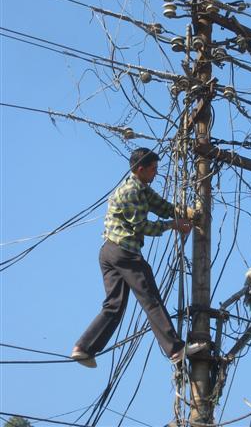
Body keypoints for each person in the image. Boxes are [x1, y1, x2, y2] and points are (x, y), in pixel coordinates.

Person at [71, 147, 206, 367]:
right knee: (150, 298)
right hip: (123, 251)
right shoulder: (130, 192)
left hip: (109, 252)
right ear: (140, 169)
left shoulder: (141, 189)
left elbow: (161, 206)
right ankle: (175, 348)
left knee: (114, 305)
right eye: (153, 169)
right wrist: (173, 225)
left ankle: (84, 347)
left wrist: (185, 213)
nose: (156, 173)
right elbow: (141, 226)